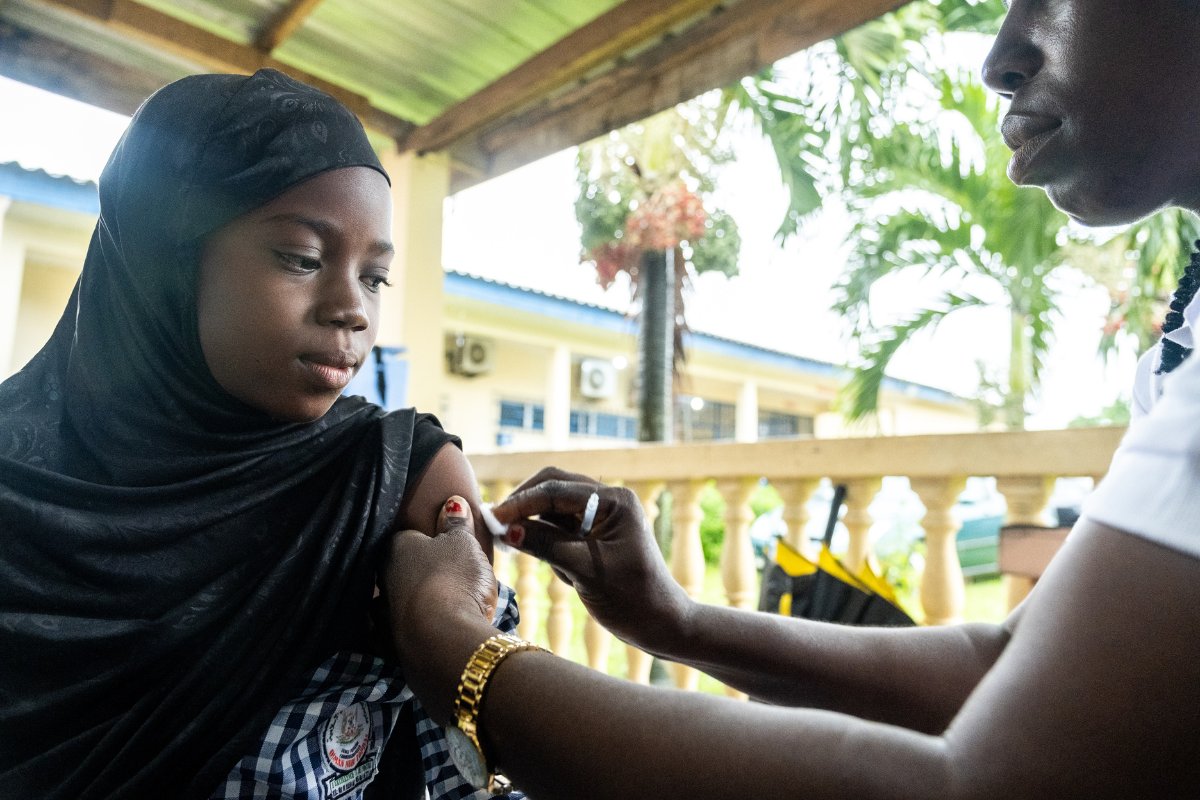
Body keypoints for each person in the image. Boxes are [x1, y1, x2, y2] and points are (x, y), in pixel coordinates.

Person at [381, 2, 1200, 797]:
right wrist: (679, 624)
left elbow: (992, 779)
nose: (1000, 59)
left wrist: (453, 650)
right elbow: (1001, 667)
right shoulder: (1181, 345)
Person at [0, 69, 520, 799]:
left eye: (374, 277)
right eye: (302, 258)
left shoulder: (392, 474)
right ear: (167, 262)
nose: (352, 310)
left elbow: (471, 768)